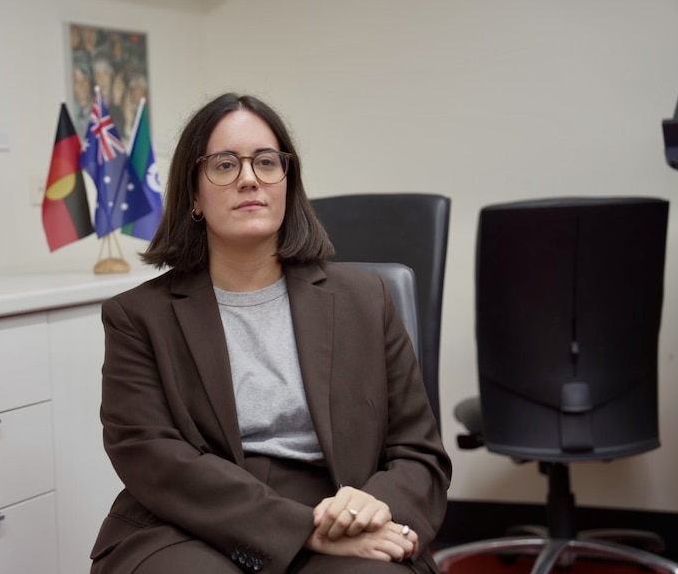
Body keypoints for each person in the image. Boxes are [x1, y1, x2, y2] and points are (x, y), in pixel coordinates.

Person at [90, 93, 452, 574]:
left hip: (336, 505)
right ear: (194, 195)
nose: (248, 178)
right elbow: (151, 456)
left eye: (266, 162)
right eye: (223, 164)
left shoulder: (367, 300)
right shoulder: (137, 316)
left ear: (287, 182)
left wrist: (372, 506)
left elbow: (419, 452)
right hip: (187, 522)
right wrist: (302, 532)